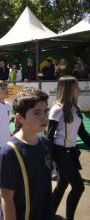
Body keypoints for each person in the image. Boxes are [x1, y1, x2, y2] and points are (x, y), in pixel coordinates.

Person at [0, 87, 54, 219]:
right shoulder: (10, 152)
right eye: (36, 113)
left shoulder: (45, 143)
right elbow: (6, 198)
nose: (44, 117)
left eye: (45, 111)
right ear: (20, 118)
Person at [47, 76, 90, 220]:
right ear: (68, 89)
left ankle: (48, 214)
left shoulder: (75, 108)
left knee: (62, 185)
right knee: (79, 186)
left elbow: (82, 133)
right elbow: (49, 136)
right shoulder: (57, 109)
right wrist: (50, 160)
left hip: (71, 152)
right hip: (60, 152)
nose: (79, 89)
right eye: (76, 86)